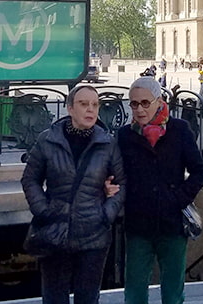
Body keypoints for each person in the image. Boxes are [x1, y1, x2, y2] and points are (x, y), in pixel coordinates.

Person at [21, 85, 125, 304]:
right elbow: (30, 179)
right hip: (55, 232)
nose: (91, 110)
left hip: (93, 235)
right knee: (54, 298)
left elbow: (121, 184)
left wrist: (105, 214)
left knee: (87, 298)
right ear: (70, 109)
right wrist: (43, 210)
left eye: (95, 105)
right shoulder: (47, 140)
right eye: (84, 104)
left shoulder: (107, 143)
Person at [118, 77, 203, 304]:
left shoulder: (179, 130)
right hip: (138, 225)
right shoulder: (125, 135)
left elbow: (200, 172)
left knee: (173, 294)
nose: (139, 109)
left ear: (159, 101)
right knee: (134, 292)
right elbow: (116, 173)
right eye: (134, 104)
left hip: (172, 224)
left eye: (145, 103)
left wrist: (177, 199)